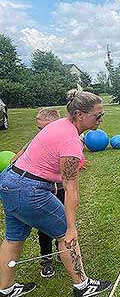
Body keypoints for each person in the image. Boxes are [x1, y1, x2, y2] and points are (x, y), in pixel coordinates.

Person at [0, 87, 112, 297]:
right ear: (80, 115)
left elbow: (30, 146)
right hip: (29, 191)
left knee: (13, 239)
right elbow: (71, 191)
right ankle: (83, 286)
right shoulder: (71, 142)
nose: (101, 119)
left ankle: (5, 289)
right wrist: (70, 228)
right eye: (98, 115)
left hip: (9, 182)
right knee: (66, 236)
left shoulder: (59, 125)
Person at [10, 108, 64, 279]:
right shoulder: (36, 141)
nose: (40, 133)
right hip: (42, 190)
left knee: (64, 223)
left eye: (44, 129)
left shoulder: (66, 140)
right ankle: (46, 260)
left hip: (60, 189)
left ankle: (62, 252)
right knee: (44, 227)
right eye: (38, 129)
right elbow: (14, 160)